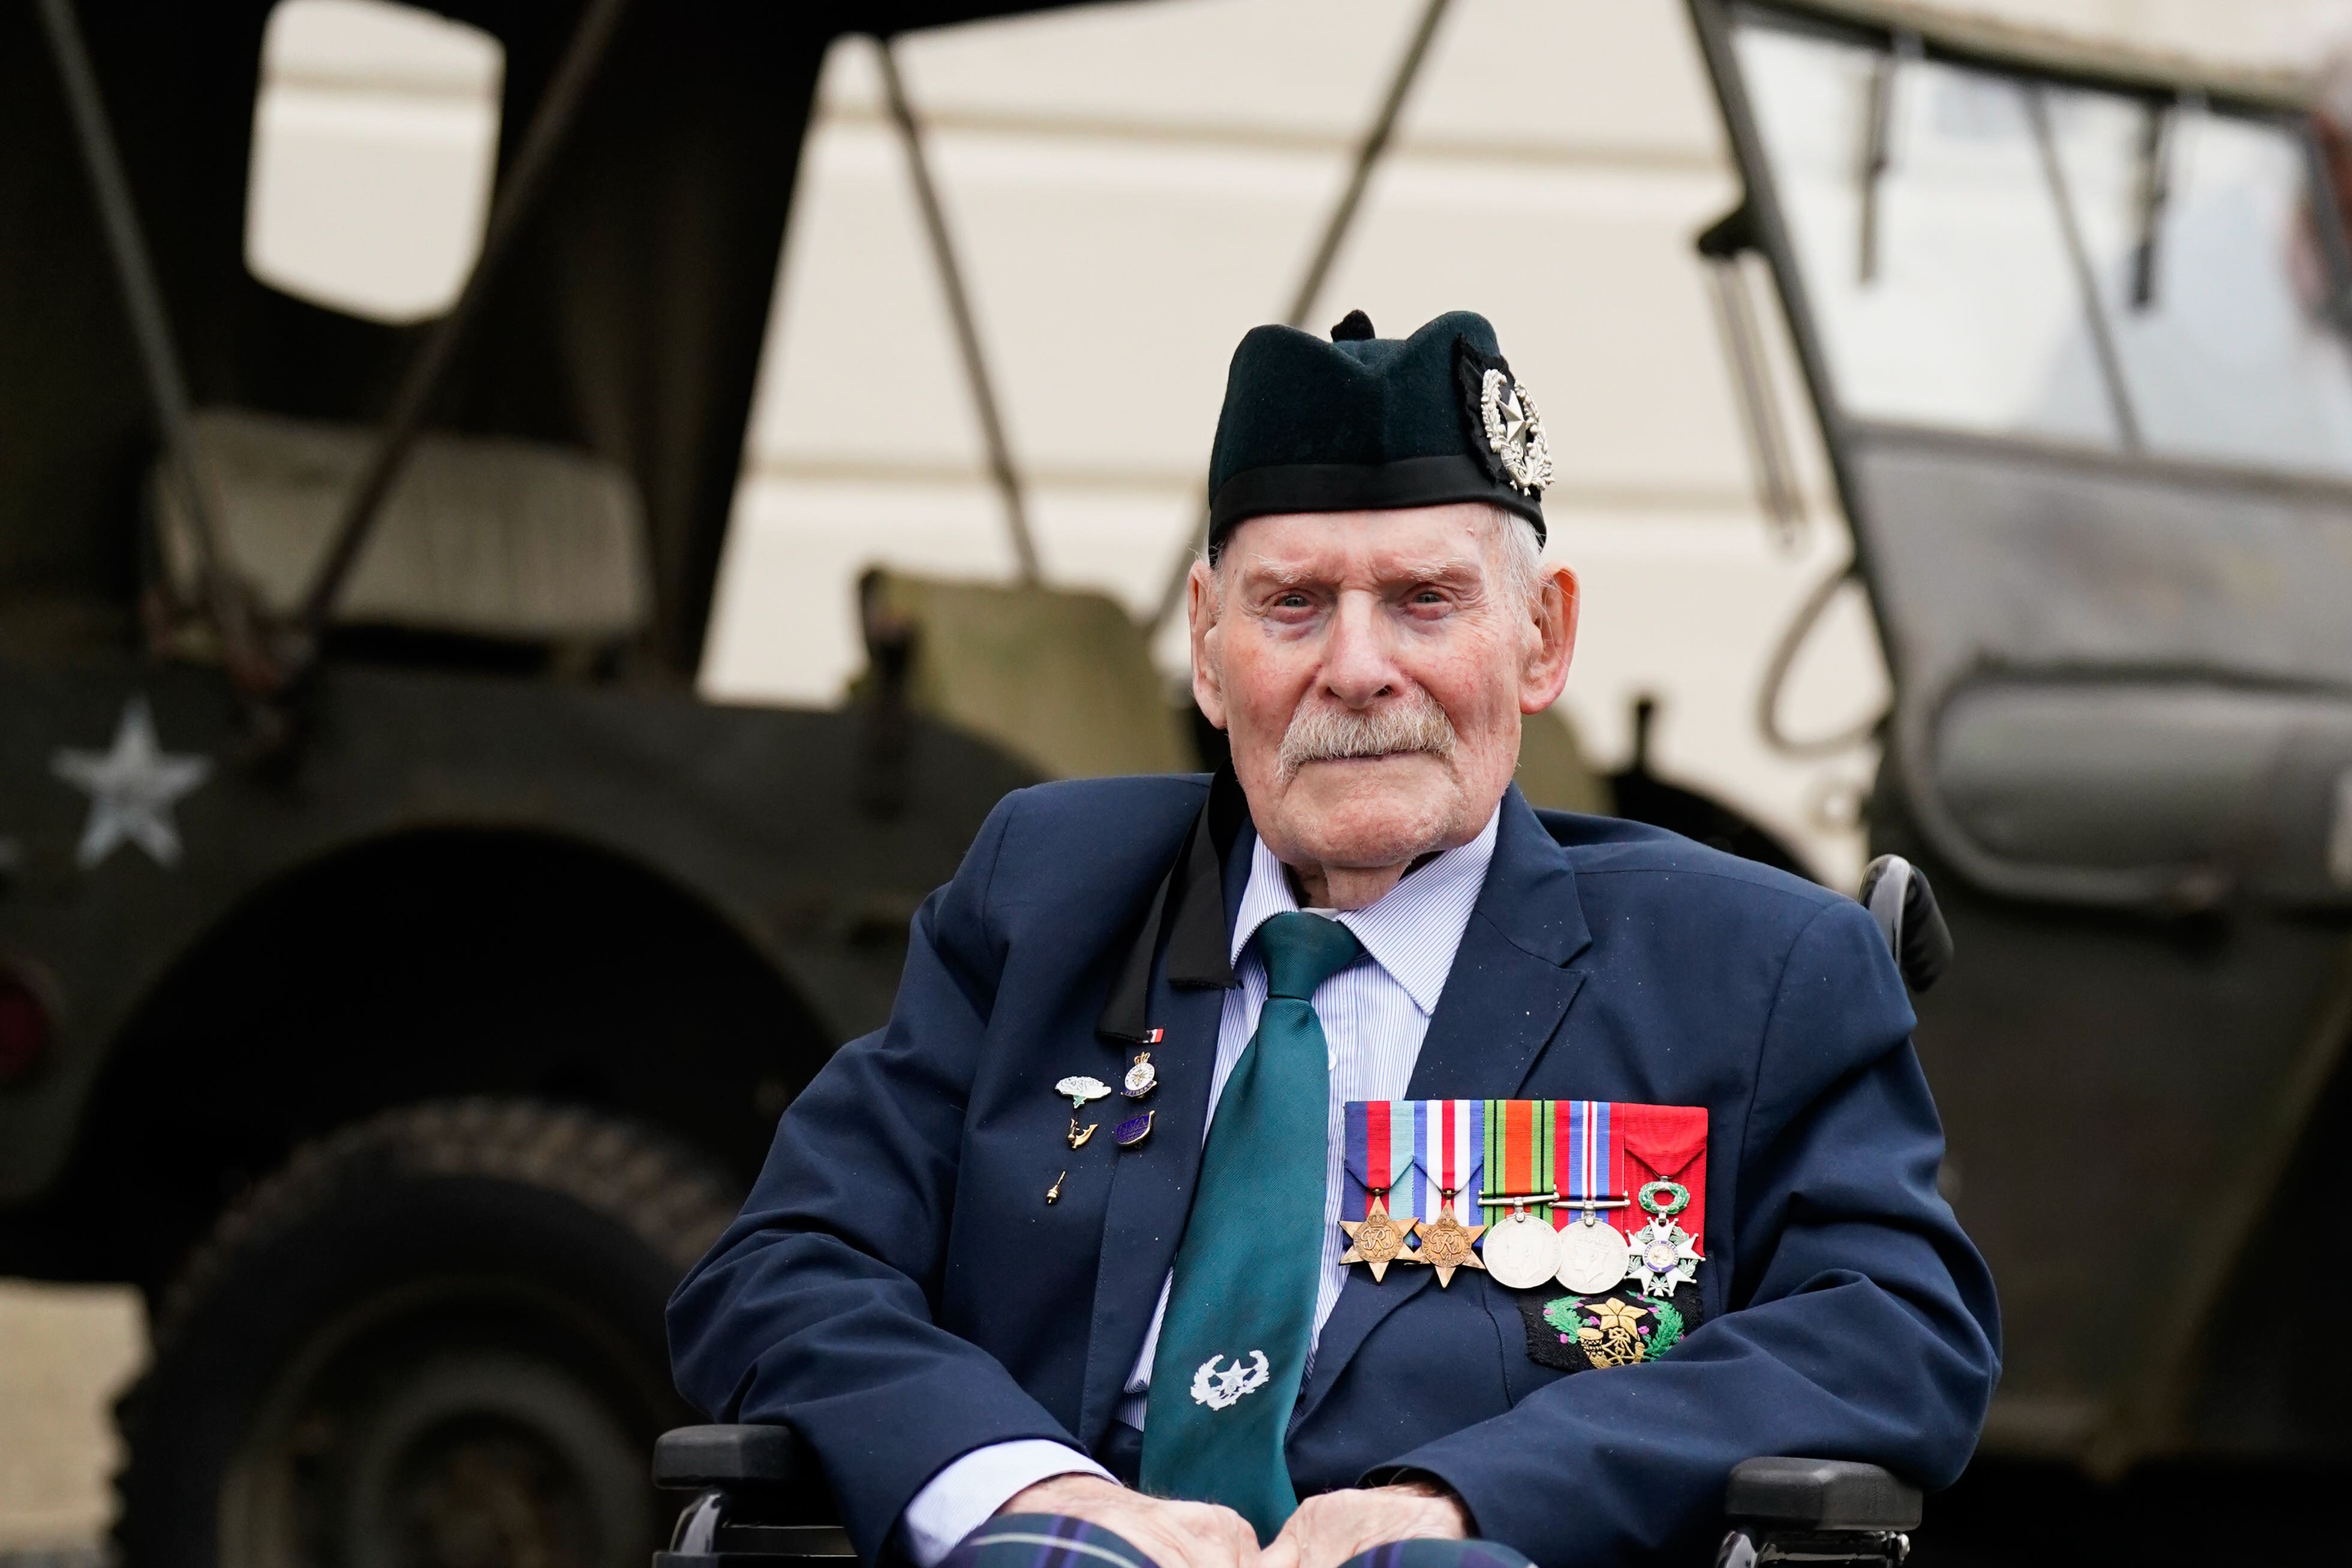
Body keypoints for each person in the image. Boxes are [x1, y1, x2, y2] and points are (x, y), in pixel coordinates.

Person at [667, 311, 1999, 1568]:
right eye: (1292, 605)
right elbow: (785, 1269)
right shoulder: (1044, 898)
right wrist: (1031, 1486)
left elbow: (1893, 1331)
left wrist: (1461, 1497)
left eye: (1424, 602)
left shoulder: (1746, 967)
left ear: (1541, 640)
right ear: (1204, 645)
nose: (1356, 668)